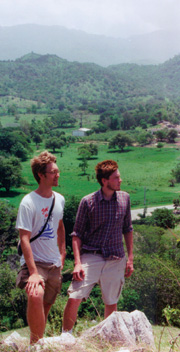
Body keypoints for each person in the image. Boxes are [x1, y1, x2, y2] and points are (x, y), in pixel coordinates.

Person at [62, 159, 133, 333]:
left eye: (119, 177)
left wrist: (130, 258)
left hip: (116, 256)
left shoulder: (125, 198)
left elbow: (128, 228)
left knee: (111, 301)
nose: (120, 180)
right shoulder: (88, 202)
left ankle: (107, 337)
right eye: (116, 178)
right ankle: (65, 337)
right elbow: (76, 234)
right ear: (104, 181)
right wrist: (78, 263)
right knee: (75, 296)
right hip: (91, 255)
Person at [16, 151, 66, 345]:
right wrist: (34, 273)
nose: (57, 175)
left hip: (54, 264)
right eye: (53, 172)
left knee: (45, 309)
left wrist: (62, 255)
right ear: (41, 175)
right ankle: (35, 347)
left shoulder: (59, 199)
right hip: (34, 262)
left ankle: (36, 343)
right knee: (35, 295)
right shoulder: (28, 202)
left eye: (57, 171)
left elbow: (61, 228)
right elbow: (24, 239)